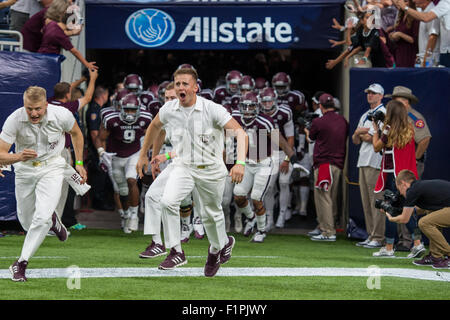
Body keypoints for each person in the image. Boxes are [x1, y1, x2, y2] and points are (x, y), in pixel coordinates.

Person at [136, 67, 248, 277]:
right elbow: (154, 126)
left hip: (211, 170)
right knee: (167, 201)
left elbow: (241, 133)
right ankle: (176, 251)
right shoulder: (170, 109)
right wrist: (144, 154)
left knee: (211, 216)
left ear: (195, 87)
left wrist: (239, 162)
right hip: (184, 167)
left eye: (185, 84)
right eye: (177, 83)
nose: (180, 87)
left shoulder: (212, 109)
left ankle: (216, 249)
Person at [0, 86, 87, 282]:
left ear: (46, 104)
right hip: (25, 170)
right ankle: (53, 221)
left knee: (40, 218)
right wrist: (17, 156)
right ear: (24, 105)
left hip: (52, 168)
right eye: (29, 108)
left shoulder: (61, 114)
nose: (33, 113)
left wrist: (80, 163)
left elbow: (76, 133)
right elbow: (1, 152)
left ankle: (21, 263)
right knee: (26, 221)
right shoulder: (14, 119)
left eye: (38, 108)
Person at [371, 99, 425, 257]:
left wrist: (376, 130)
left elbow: (376, 147)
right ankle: (416, 243)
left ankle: (390, 247)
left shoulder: (388, 129)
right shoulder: (409, 129)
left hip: (393, 176)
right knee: (405, 210)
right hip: (406, 176)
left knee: (391, 210)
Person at [96, 93, 152, 233]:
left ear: (139, 109)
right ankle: (126, 215)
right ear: (120, 108)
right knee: (122, 190)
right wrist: (102, 152)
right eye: (127, 109)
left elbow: (151, 135)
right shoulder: (111, 118)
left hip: (134, 153)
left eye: (133, 110)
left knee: (131, 180)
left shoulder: (145, 118)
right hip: (116, 156)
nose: (130, 113)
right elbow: (100, 137)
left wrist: (146, 153)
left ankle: (134, 215)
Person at [305, 93, 349, 242]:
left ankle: (328, 231)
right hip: (338, 164)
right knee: (330, 198)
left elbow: (310, 138)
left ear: (321, 106)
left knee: (323, 197)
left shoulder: (319, 121)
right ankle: (328, 227)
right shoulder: (343, 121)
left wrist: (306, 130)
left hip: (324, 163)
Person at [386, 169, 450, 269]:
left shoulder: (412, 190)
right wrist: (396, 210)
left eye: (399, 189)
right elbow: (419, 210)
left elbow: (404, 219)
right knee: (430, 214)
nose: (401, 194)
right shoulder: (419, 187)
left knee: (424, 223)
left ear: (403, 183)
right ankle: (435, 256)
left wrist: (391, 218)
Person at [352, 83, 386, 248]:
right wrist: (360, 133)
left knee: (375, 199)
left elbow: (372, 138)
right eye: (368, 93)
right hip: (363, 160)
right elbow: (356, 139)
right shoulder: (366, 113)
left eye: (373, 93)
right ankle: (371, 234)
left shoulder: (383, 113)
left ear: (381, 96)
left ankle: (378, 236)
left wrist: (360, 133)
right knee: (366, 200)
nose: (370, 95)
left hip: (375, 161)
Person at [37, 1, 97, 71]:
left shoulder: (51, 24)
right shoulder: (61, 36)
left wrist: (68, 33)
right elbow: (74, 51)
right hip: (49, 61)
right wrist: (86, 64)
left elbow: (43, 31)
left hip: (40, 56)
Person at [84, 85, 113, 211]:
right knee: (99, 176)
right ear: (103, 95)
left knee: (103, 175)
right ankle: (98, 202)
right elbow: (94, 133)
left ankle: (102, 200)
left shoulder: (100, 109)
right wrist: (100, 150)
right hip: (96, 149)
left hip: (100, 148)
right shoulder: (95, 110)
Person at [387, 0, 420, 67]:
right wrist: (392, 36)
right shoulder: (401, 16)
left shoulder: (415, 17)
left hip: (409, 53)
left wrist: (400, 34)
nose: (402, 3)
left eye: (406, 1)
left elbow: (414, 40)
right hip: (399, 53)